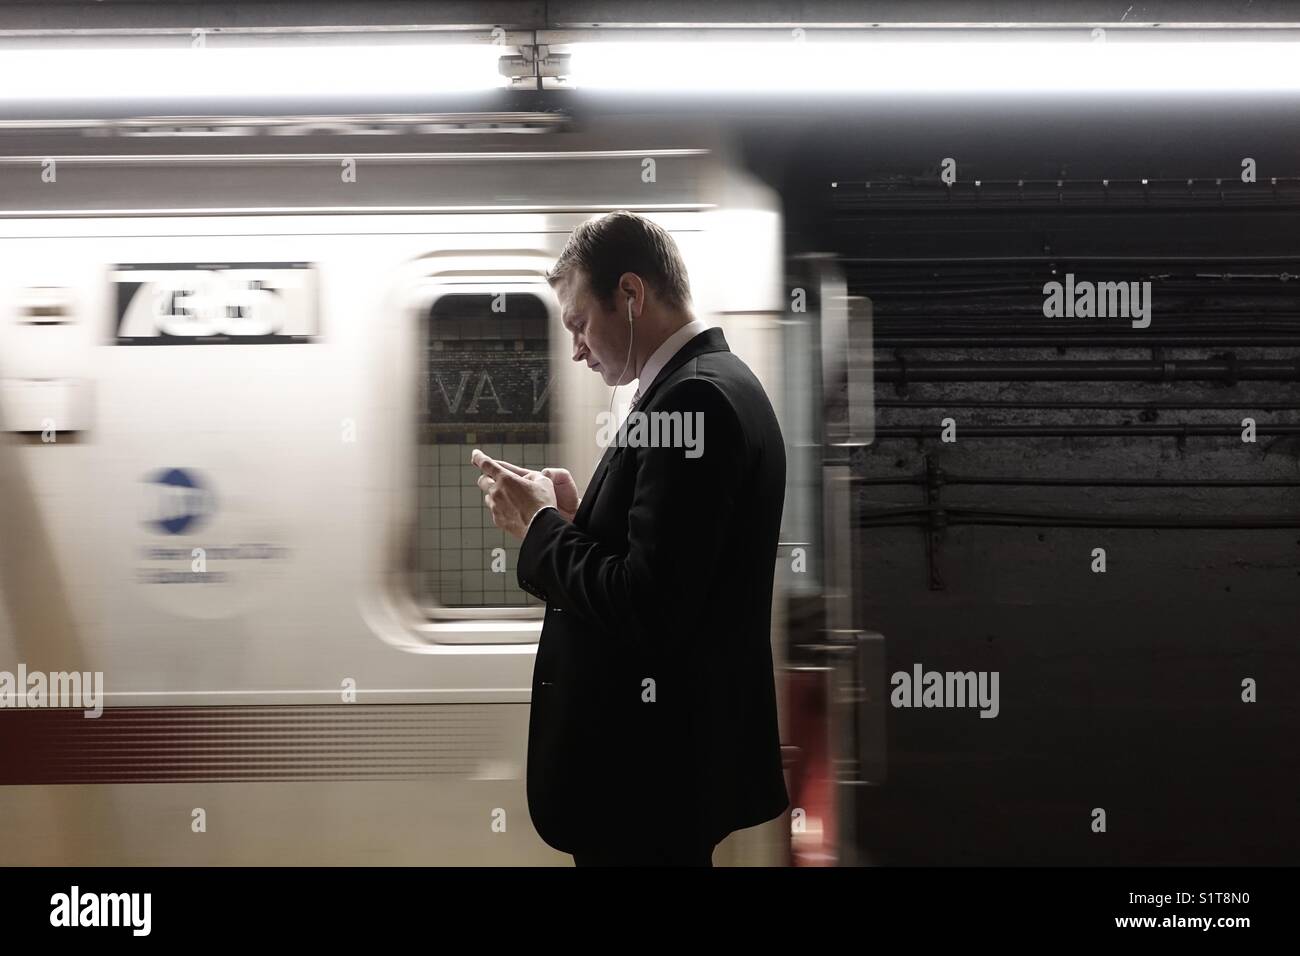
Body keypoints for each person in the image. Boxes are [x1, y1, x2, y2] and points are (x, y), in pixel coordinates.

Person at [472, 209, 788, 867]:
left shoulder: (690, 403)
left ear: (632, 296)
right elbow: (672, 560)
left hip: (646, 786)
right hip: (662, 779)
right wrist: (575, 513)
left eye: (580, 324)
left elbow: (648, 606)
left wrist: (536, 528)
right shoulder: (707, 386)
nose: (577, 348)